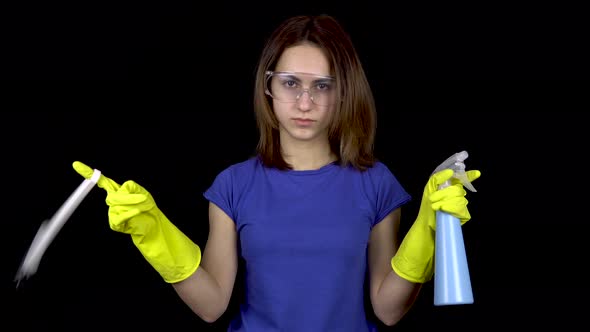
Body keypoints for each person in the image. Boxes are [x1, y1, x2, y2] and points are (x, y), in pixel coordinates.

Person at [72, 14, 481, 332]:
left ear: (345, 92)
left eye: (322, 85)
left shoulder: (376, 184)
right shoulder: (233, 186)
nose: (304, 102)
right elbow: (212, 304)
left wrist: (429, 227)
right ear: (268, 88)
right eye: (290, 83)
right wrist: (153, 231)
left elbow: (389, 311)